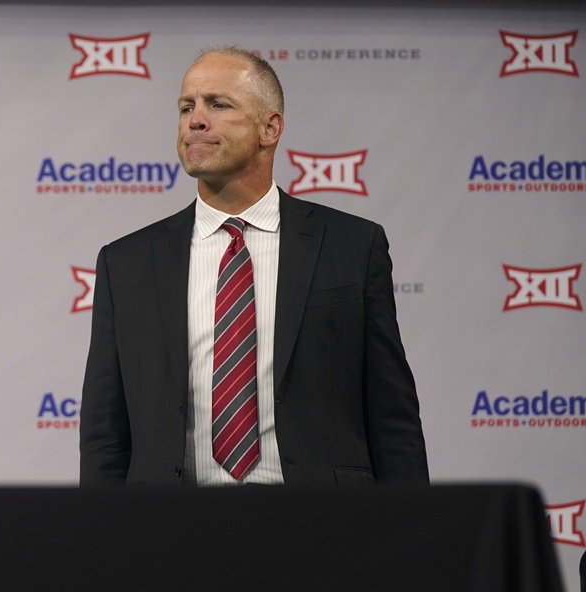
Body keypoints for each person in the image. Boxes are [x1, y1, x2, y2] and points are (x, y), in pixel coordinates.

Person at [79, 46, 429, 486]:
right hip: (170, 531)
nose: (195, 120)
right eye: (187, 106)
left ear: (270, 127)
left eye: (218, 104)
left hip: (324, 526)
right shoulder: (126, 263)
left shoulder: (352, 246)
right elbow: (104, 432)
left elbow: (391, 414)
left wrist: (413, 536)